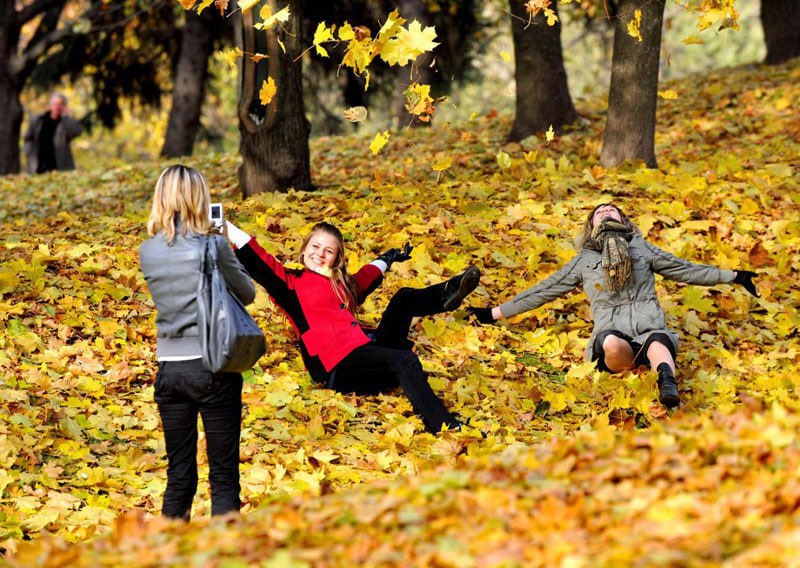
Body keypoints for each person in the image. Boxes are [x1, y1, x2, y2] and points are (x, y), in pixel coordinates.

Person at [468, 203, 759, 409]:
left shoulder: (641, 249)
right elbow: (546, 289)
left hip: (648, 330)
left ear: (623, 218)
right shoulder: (585, 259)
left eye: (612, 209)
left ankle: (666, 382)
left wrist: (734, 276)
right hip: (612, 336)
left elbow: (684, 268)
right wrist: (495, 313)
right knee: (610, 342)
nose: (606, 211)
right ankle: (636, 369)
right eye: (600, 211)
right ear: (591, 224)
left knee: (658, 338)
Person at [224, 220, 480, 433]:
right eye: (315, 246)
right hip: (338, 367)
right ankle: (444, 426)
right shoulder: (290, 283)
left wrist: (387, 258)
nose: (319, 254)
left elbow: (366, 278)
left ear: (336, 259)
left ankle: (449, 292)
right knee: (406, 360)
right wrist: (222, 225)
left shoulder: (341, 286)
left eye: (328, 251)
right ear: (303, 250)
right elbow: (259, 260)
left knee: (403, 298)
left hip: (365, 353)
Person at [139, 165, 255, 520]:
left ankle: (168, 553)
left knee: (178, 477)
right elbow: (247, 293)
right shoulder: (213, 245)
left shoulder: (148, 250)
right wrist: (223, 246)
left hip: (169, 371)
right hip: (212, 365)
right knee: (223, 478)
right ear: (198, 199)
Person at [23, 93, 83, 174]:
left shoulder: (66, 122)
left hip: (60, 166)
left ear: (64, 106)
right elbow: (28, 138)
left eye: (60, 104)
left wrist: (65, 117)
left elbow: (76, 132)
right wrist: (29, 153)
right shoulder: (38, 120)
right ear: (50, 105)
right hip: (38, 166)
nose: (57, 107)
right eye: (55, 104)